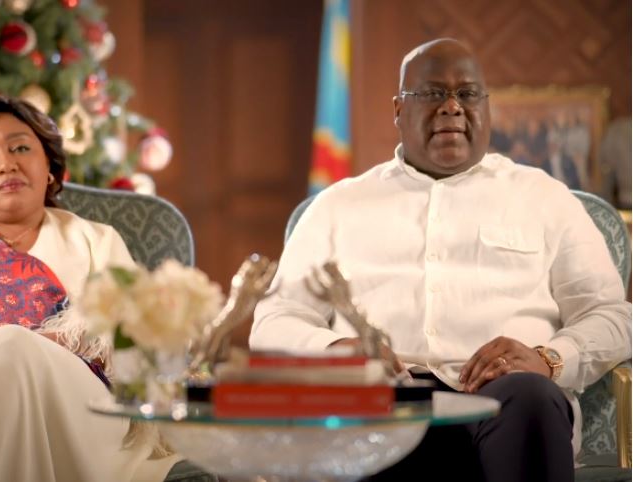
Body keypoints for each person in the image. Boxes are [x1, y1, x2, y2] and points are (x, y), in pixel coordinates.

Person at [250, 38, 631, 482]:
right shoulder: (337, 206)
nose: (452, 107)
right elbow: (275, 321)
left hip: (507, 401)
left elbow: (613, 316)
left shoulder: (544, 197)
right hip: (385, 403)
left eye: (467, 93)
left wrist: (549, 359)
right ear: (398, 110)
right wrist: (337, 352)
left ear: (486, 108)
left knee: (531, 396)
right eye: (432, 93)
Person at [0, 95, 185, 481]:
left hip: (74, 412)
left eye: (21, 148)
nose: (6, 164)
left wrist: (35, 347)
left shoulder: (95, 240)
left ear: (50, 168)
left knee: (9, 345)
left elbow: (141, 346)